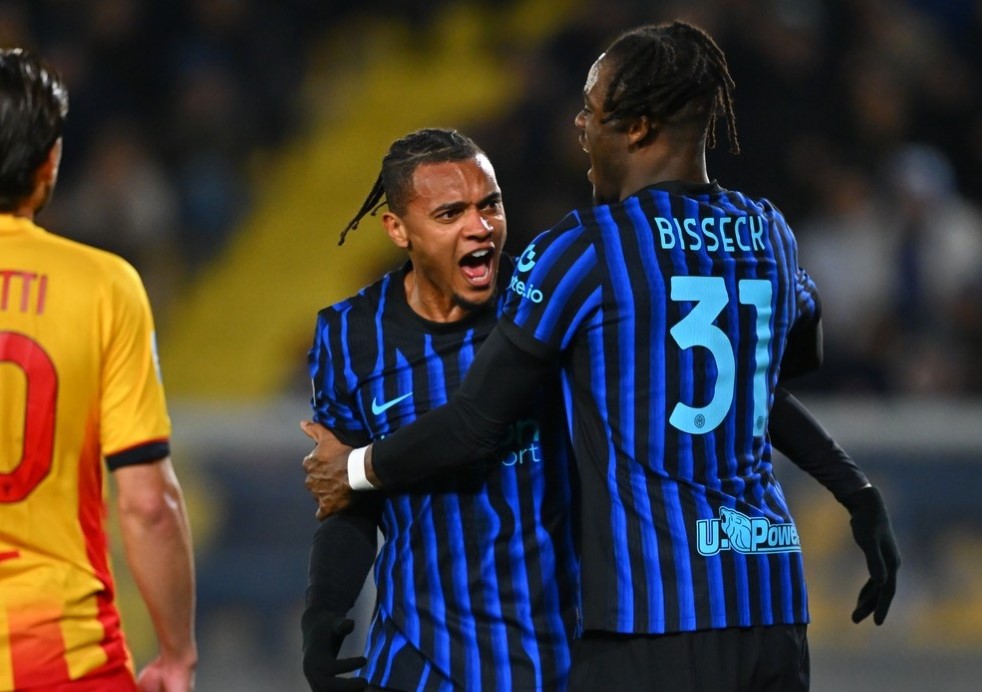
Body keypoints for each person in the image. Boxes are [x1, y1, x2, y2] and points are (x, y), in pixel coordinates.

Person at [304, 21, 900, 691]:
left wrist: (352, 468)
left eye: (591, 109)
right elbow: (774, 375)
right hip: (772, 605)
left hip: (656, 615)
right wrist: (856, 492)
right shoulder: (768, 232)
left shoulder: (585, 250)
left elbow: (474, 422)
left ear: (638, 128)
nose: (580, 126)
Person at [299, 128, 580, 692]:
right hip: (416, 661)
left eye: (490, 204)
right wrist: (323, 616)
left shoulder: (547, 307)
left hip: (554, 658)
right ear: (398, 229)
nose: (480, 227)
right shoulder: (350, 336)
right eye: (451, 214)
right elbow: (349, 503)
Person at [0, 49, 197, 691]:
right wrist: (176, 652)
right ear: (50, 162)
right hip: (61, 656)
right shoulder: (103, 287)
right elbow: (148, 504)